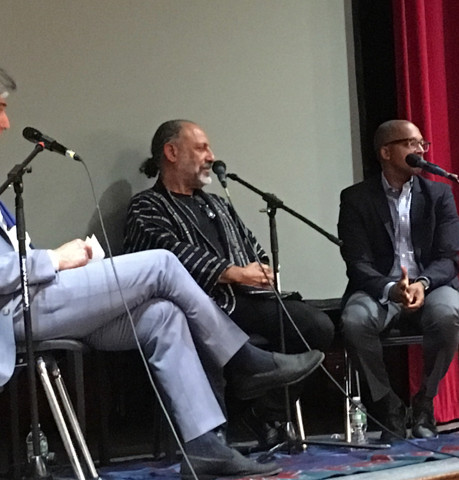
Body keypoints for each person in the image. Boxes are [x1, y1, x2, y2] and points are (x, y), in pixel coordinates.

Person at [0, 59, 323, 478]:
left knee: (163, 315)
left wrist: (68, 260)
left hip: (23, 299)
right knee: (161, 263)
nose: (5, 123)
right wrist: (54, 260)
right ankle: (244, 361)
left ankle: (205, 445)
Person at [123, 120, 334, 354]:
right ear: (172, 152)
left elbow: (250, 243)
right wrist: (237, 274)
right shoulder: (147, 205)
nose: (211, 157)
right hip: (203, 305)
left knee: (318, 324)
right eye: (201, 148)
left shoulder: (216, 203)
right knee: (314, 325)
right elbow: (169, 254)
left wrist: (261, 270)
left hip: (248, 299)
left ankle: (269, 384)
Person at [338, 119, 459, 438]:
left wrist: (422, 284)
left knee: (447, 314)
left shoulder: (439, 194)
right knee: (354, 321)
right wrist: (389, 288)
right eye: (411, 144)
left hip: (431, 285)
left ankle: (424, 404)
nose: (420, 150)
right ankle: (388, 407)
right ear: (385, 152)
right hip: (380, 288)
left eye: (423, 143)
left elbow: (448, 258)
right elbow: (357, 262)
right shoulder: (356, 198)